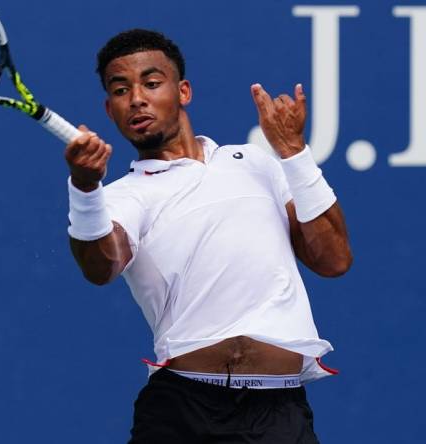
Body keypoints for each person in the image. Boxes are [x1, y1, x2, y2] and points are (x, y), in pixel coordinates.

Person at [63, 29, 352, 443]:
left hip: (279, 416)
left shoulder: (257, 163)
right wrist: (85, 188)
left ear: (183, 91)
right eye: (121, 90)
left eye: (151, 82)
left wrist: (293, 151)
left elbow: (334, 259)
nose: (137, 99)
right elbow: (100, 266)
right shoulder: (122, 197)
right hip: (183, 413)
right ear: (110, 110)